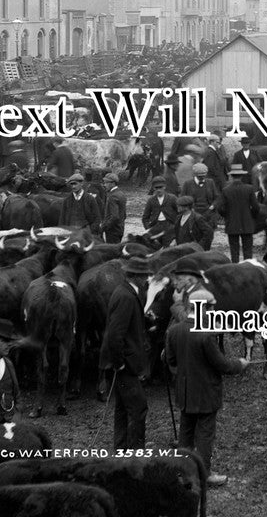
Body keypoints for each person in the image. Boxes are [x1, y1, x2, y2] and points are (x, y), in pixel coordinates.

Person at [165, 289, 249, 486]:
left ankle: (182, 472)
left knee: (185, 431)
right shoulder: (205, 335)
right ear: (204, 308)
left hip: (185, 392)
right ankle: (204, 475)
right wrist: (240, 364)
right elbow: (223, 365)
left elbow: (170, 360)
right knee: (204, 434)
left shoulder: (174, 331)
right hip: (205, 393)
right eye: (211, 308)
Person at [100, 257, 152, 451]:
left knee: (122, 408)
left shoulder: (126, 292)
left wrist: (145, 322)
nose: (147, 279)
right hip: (125, 365)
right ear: (136, 276)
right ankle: (135, 455)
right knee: (138, 408)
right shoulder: (126, 296)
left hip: (123, 363)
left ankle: (121, 450)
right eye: (145, 275)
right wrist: (119, 363)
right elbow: (115, 334)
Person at [216, 165, 258, 262]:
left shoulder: (226, 190)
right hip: (247, 223)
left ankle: (235, 269)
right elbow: (256, 207)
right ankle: (248, 269)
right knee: (248, 250)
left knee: (234, 251)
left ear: (232, 176)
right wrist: (251, 216)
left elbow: (219, 207)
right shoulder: (249, 189)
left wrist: (227, 216)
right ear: (241, 176)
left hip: (232, 223)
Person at [141, 176, 177, 246]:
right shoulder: (151, 200)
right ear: (153, 188)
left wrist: (175, 226)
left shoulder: (172, 198)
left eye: (160, 187)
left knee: (169, 247)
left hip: (169, 226)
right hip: (155, 226)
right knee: (155, 247)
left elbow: (179, 213)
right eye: (156, 188)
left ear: (165, 187)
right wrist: (148, 229)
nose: (159, 190)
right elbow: (145, 217)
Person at [99, 172, 127, 243]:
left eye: (106, 183)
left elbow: (114, 216)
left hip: (112, 231)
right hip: (120, 229)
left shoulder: (112, 196)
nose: (104, 185)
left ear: (112, 183)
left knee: (111, 251)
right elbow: (124, 214)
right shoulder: (121, 194)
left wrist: (104, 227)